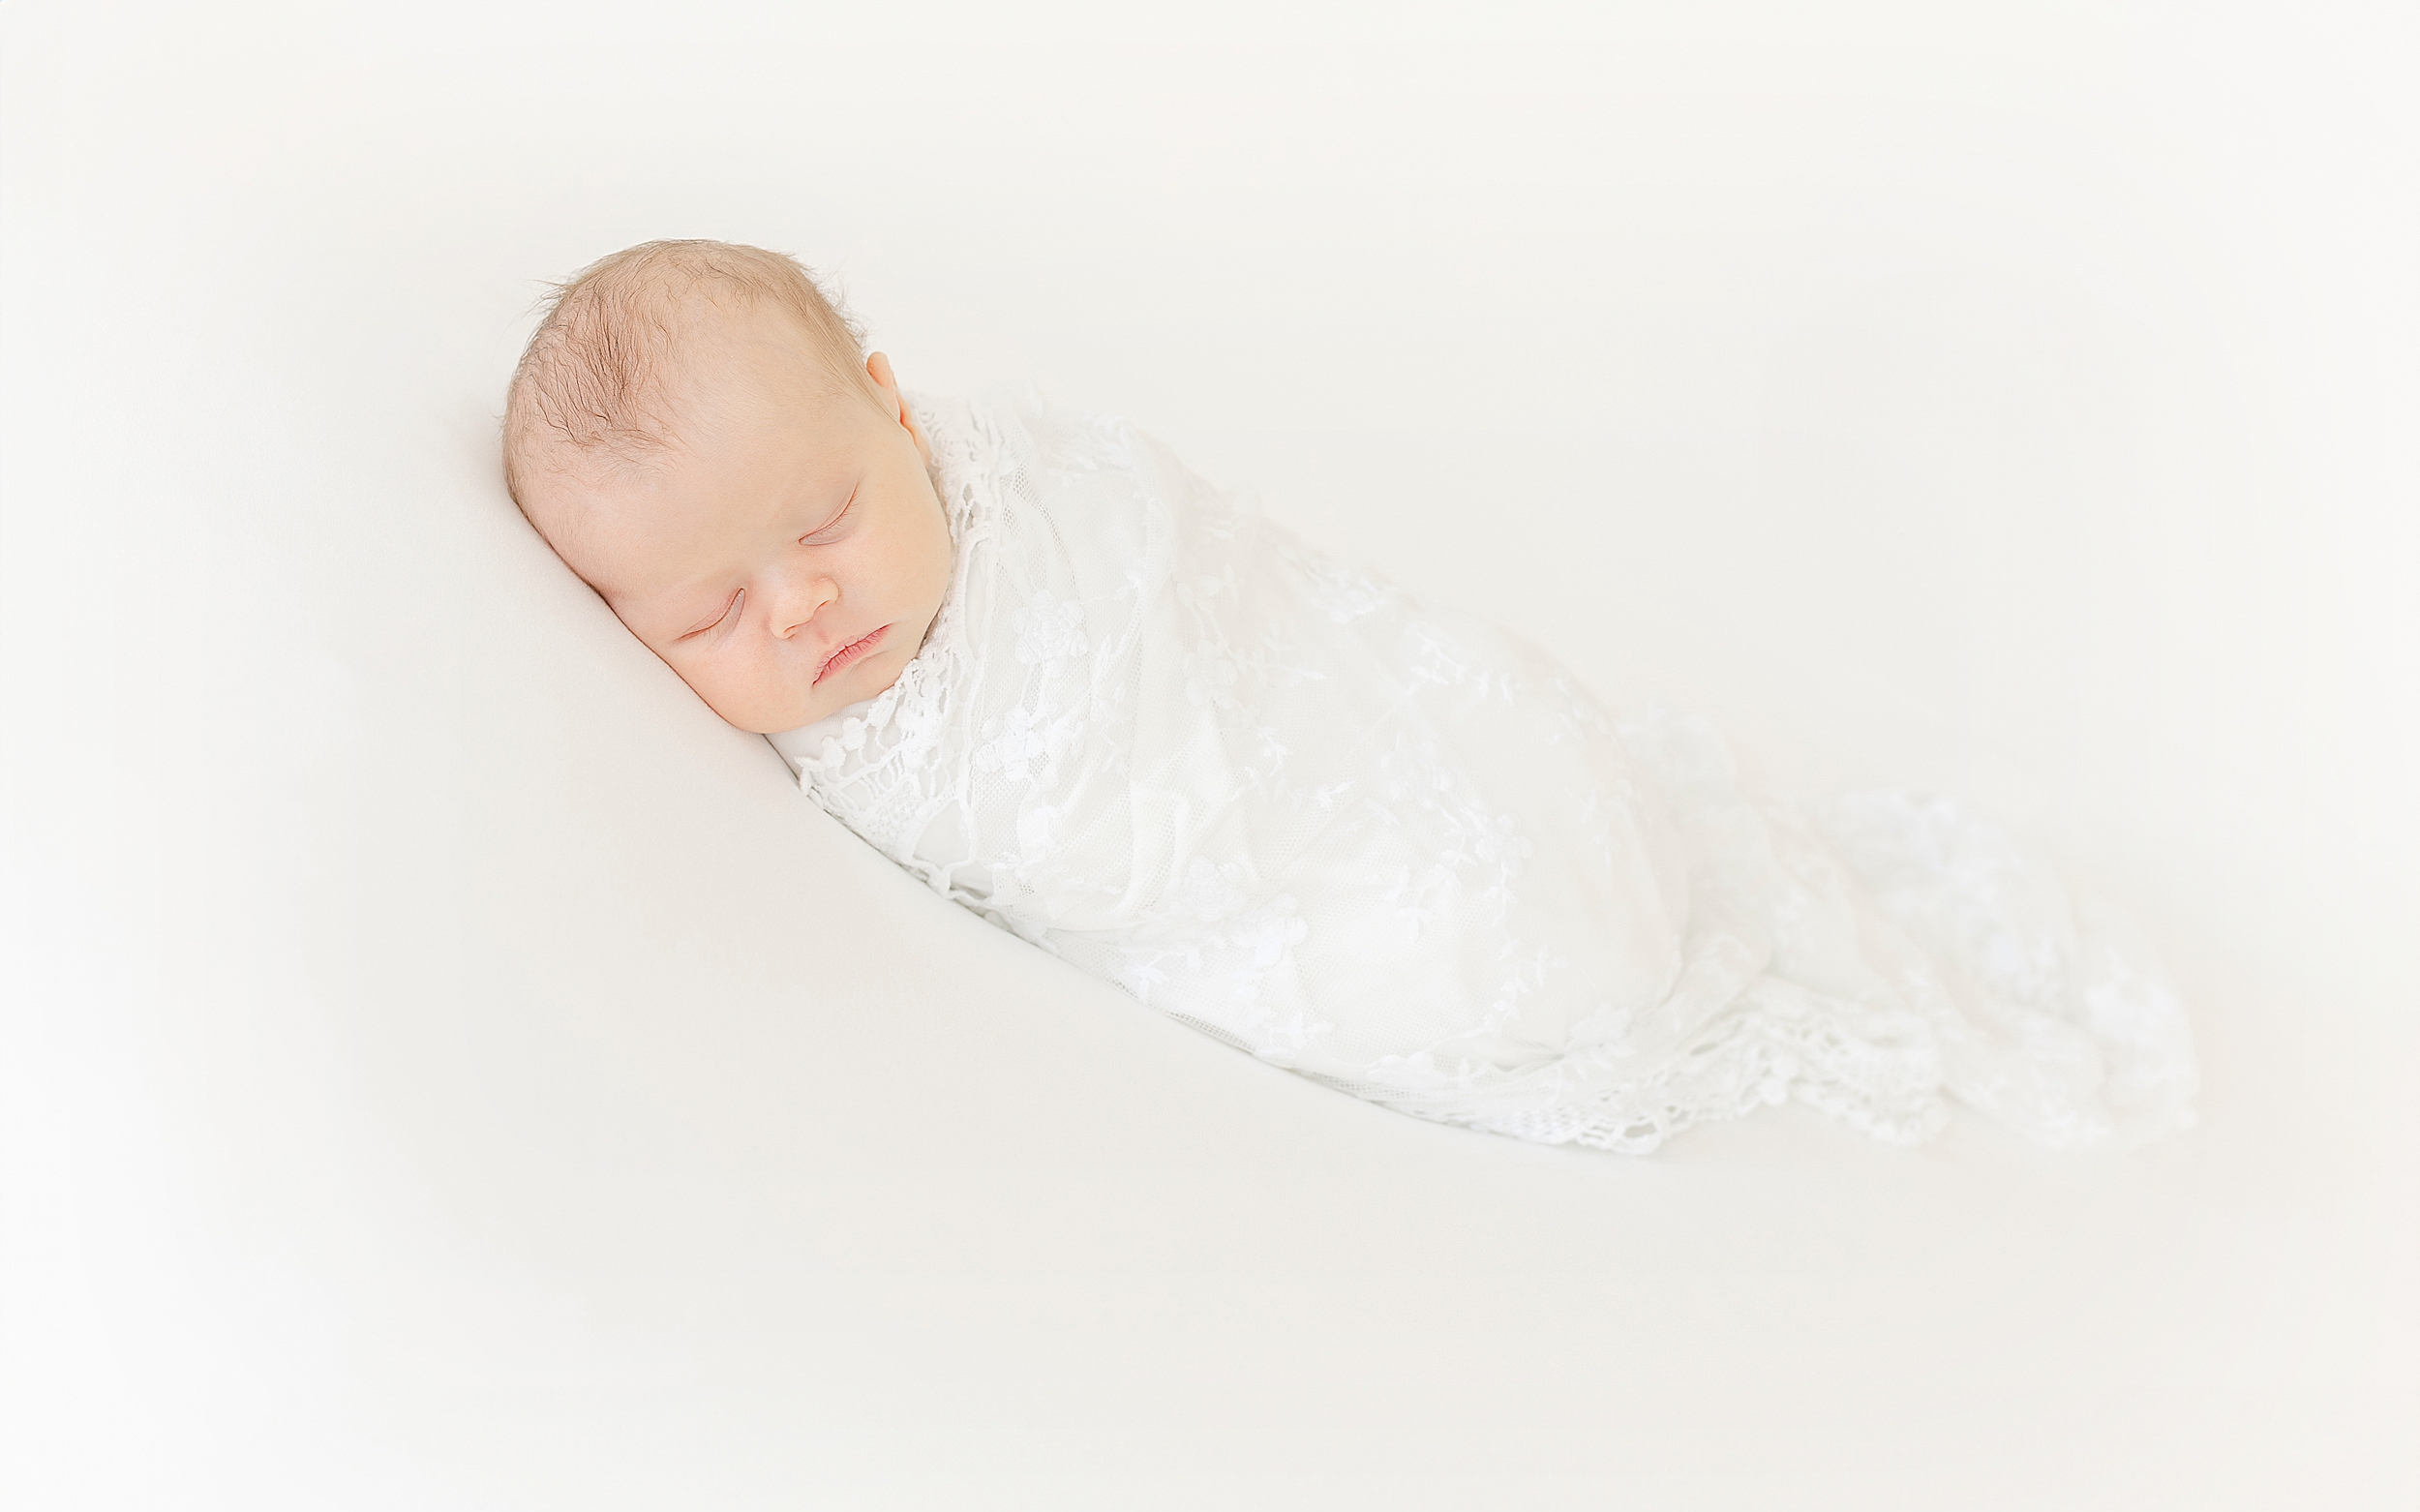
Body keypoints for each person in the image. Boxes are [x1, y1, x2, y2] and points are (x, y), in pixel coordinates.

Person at [504, 239, 2198, 1153]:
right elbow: (1089, 853)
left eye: (821, 522)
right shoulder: (869, 738)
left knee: (1504, 794)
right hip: (1292, 850)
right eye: (713, 612)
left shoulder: (1029, 487)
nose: (804, 606)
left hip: (1349, 713)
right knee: (1484, 937)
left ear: (897, 408)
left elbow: (1218, 582)